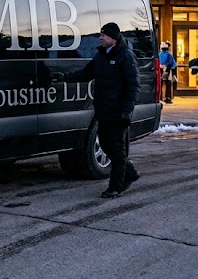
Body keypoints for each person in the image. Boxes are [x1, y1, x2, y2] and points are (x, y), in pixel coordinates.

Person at [60, 22, 141, 198]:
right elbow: (86, 73)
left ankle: (115, 187)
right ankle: (131, 172)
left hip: (119, 111)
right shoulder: (101, 56)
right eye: (101, 35)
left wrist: (127, 110)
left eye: (103, 35)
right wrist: (65, 78)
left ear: (112, 38)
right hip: (103, 110)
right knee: (105, 144)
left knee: (117, 149)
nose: (100, 38)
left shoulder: (125, 56)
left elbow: (133, 86)